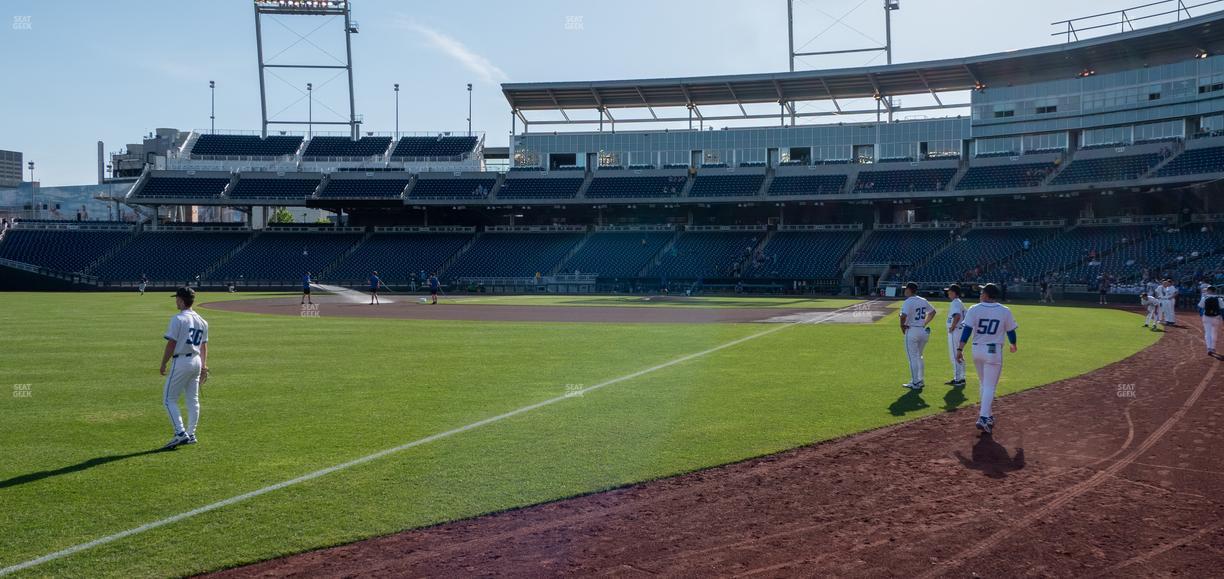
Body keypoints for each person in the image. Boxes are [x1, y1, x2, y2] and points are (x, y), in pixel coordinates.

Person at [956, 283, 1019, 435]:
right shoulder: (1005, 311)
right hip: (993, 351)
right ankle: (983, 417)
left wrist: (959, 349)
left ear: (987, 295)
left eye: (982, 291)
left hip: (977, 350)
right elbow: (1011, 331)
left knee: (984, 384)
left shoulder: (974, 309)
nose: (980, 293)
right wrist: (1013, 344)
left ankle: (989, 415)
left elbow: (967, 331)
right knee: (989, 386)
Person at [159, 287, 209, 450]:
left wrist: (163, 362)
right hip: (196, 361)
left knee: (169, 399)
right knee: (192, 400)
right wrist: (204, 366)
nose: (175, 301)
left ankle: (180, 433)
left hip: (181, 362)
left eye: (177, 298)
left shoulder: (178, 319)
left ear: (181, 300)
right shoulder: (202, 321)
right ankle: (191, 433)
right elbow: (204, 346)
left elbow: (172, 343)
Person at [898, 282, 936, 390]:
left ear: (909, 290)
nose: (905, 291)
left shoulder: (908, 301)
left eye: (906, 289)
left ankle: (915, 382)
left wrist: (902, 327)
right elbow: (933, 312)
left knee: (913, 358)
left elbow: (903, 316)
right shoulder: (923, 300)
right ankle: (920, 379)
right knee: (919, 356)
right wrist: (924, 323)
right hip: (922, 330)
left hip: (912, 331)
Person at [944, 284, 967, 387]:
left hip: (956, 331)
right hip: (960, 331)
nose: (948, 293)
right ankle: (962, 377)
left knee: (955, 355)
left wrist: (952, 326)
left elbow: (957, 316)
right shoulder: (959, 302)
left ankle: (957, 379)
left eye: (949, 291)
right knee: (959, 354)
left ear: (954, 292)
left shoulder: (955, 302)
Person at [1198, 285, 1221, 357]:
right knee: (1214, 333)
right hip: (1216, 317)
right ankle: (1213, 348)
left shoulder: (1204, 297)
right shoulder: (1219, 298)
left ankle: (1209, 348)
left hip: (1206, 317)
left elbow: (1200, 306)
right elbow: (1222, 308)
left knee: (1207, 332)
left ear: (1209, 291)